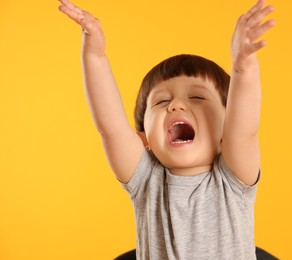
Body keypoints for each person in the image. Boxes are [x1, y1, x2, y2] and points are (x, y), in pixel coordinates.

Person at [58, 0, 275, 259]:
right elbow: (111, 127)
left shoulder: (232, 180)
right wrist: (94, 56)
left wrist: (243, 67)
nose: (176, 105)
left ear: (225, 131)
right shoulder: (146, 180)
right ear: (143, 139)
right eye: (161, 101)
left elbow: (244, 131)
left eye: (198, 98)